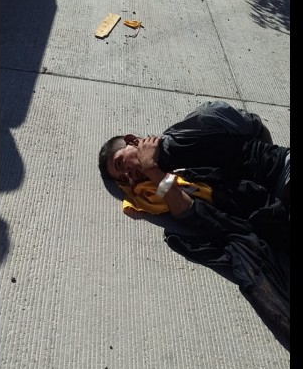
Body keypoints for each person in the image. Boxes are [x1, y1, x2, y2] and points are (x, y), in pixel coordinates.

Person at [98, 101, 290, 347]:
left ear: (132, 141)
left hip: (282, 170)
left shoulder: (180, 138)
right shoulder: (165, 187)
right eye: (122, 178)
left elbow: (249, 122)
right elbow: (189, 212)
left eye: (120, 164)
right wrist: (152, 170)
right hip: (274, 204)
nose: (127, 175)